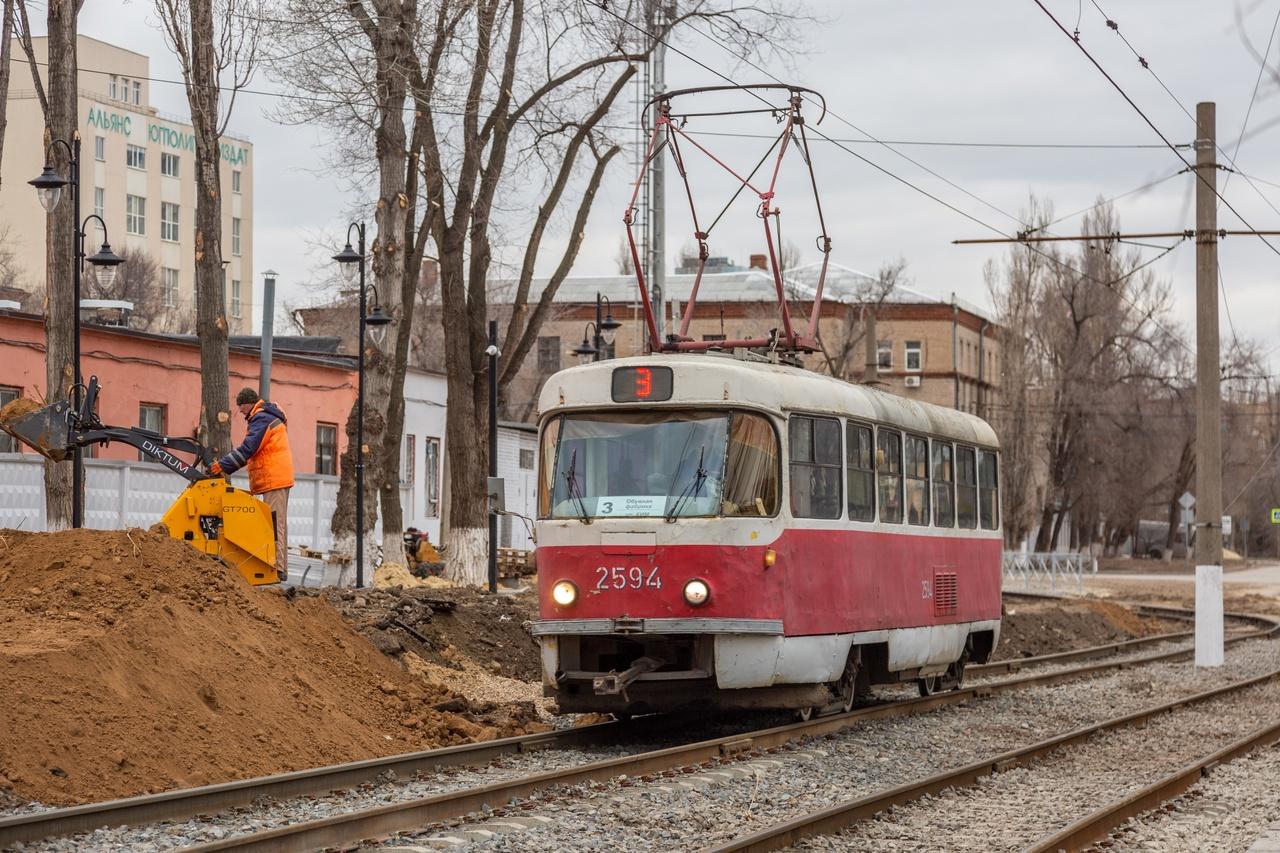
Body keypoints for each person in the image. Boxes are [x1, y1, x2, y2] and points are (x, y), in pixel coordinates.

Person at [209, 388, 295, 581]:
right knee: (276, 522)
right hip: (275, 477)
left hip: (274, 478)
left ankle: (276, 569)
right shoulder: (265, 416)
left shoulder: (262, 418)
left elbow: (249, 448)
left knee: (274, 523)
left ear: (248, 403)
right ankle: (279, 568)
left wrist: (222, 465)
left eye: (241, 407)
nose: (240, 411)